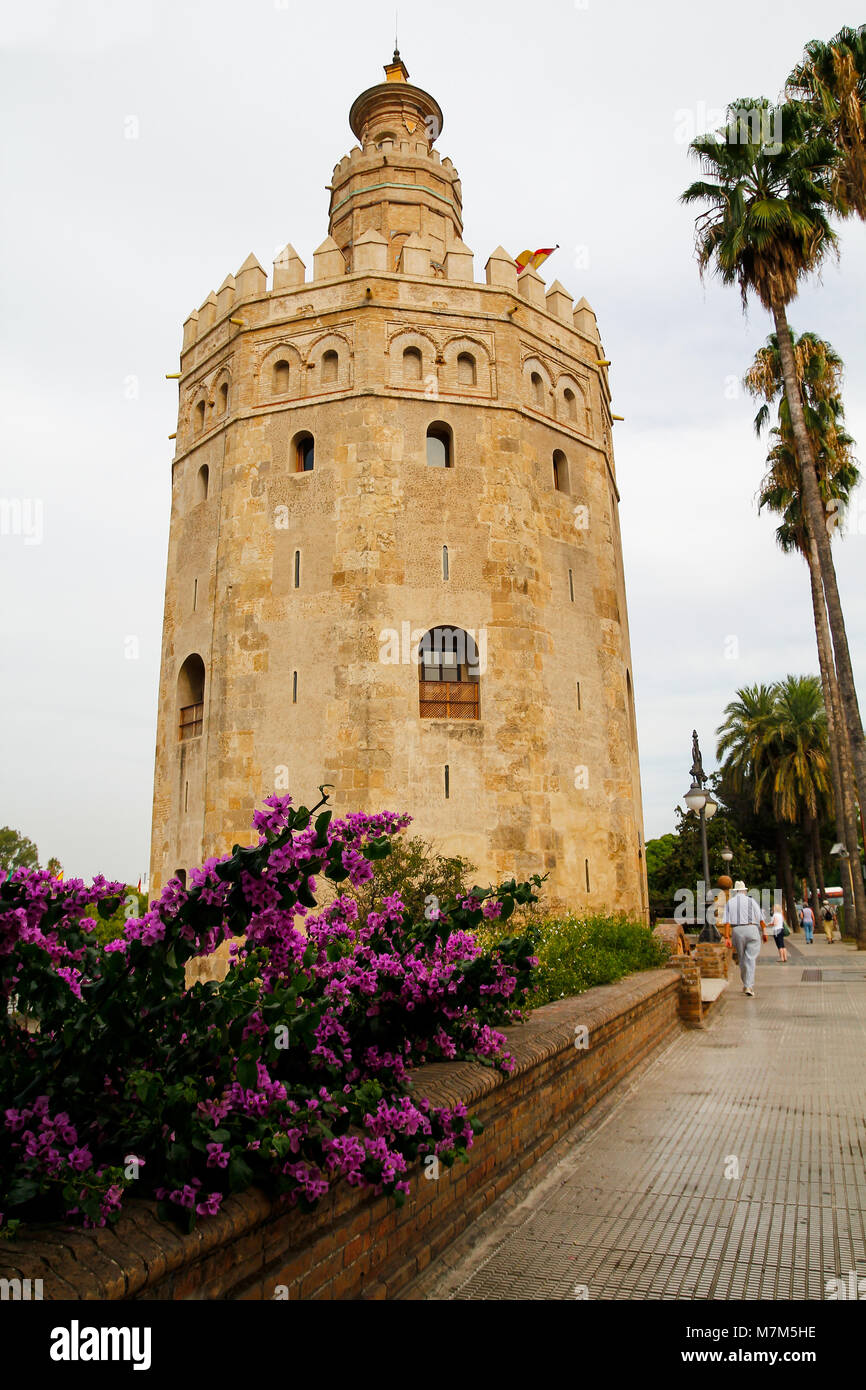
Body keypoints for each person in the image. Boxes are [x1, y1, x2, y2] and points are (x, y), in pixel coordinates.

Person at [724, 880, 767, 996]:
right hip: (752, 929)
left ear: (735, 891)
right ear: (744, 891)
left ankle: (746, 984)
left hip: (737, 930)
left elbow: (727, 922)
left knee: (742, 959)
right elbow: (761, 918)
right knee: (750, 958)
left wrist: (727, 937)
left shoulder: (730, 902)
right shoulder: (751, 901)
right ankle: (748, 986)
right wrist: (764, 932)